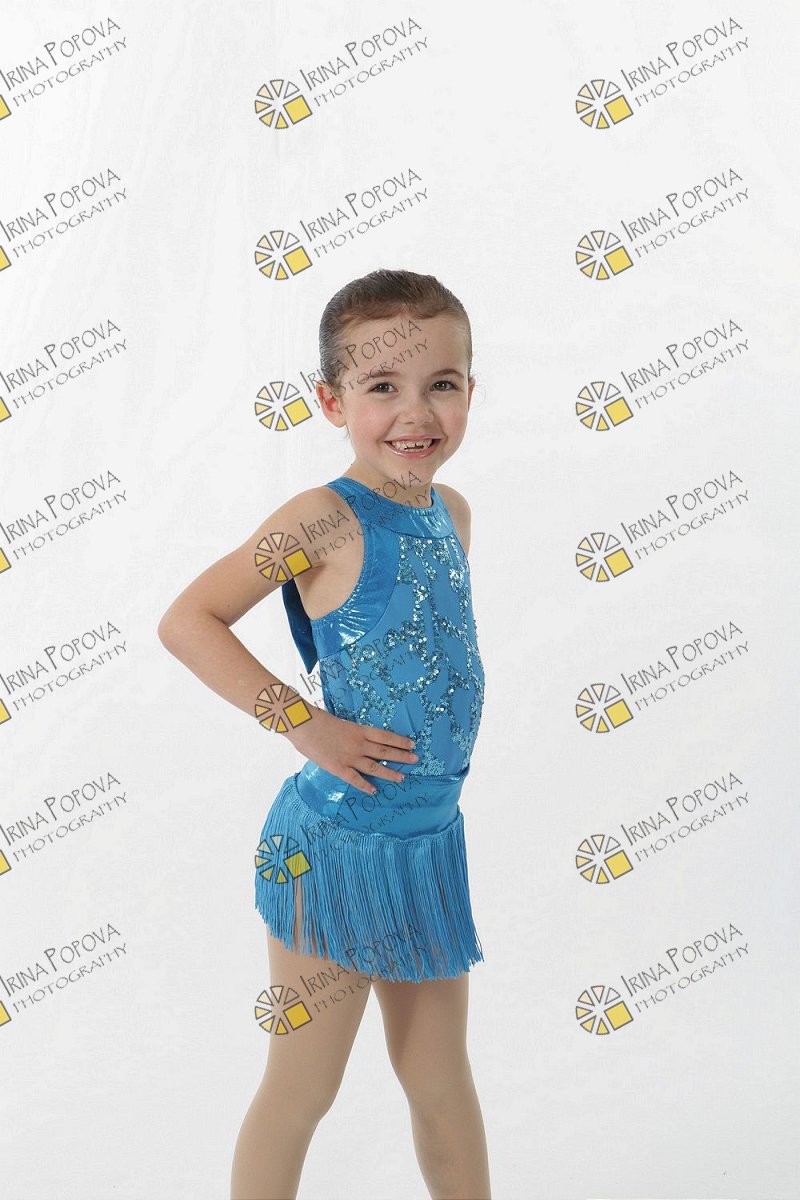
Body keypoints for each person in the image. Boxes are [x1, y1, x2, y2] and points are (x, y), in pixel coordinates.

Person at [157, 268, 492, 1200]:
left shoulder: (453, 514)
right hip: (333, 848)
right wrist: (303, 725)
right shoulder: (322, 518)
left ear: (471, 391)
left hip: (426, 843)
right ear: (333, 401)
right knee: (304, 1087)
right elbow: (189, 621)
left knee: (440, 1082)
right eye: (382, 386)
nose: (414, 412)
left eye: (441, 383)